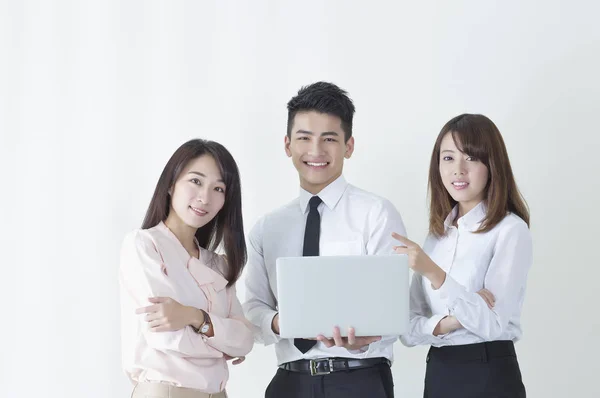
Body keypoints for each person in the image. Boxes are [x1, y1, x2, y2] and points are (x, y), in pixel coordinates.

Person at [243, 82, 406, 398]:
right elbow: (253, 308)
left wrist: (366, 336)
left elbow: (395, 308)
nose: (315, 151)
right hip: (288, 383)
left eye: (329, 139)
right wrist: (280, 322)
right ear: (288, 145)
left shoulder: (377, 214)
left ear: (349, 146)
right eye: (304, 138)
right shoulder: (268, 227)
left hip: (358, 380)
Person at [393, 114, 531, 397]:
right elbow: (407, 329)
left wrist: (435, 273)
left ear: (492, 164)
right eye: (448, 158)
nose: (458, 170)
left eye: (470, 158)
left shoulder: (510, 230)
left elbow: (491, 324)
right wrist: (452, 321)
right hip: (440, 369)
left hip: (489, 370)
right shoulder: (436, 237)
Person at [119, 139, 254, 398]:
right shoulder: (144, 245)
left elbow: (245, 340)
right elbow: (167, 338)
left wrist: (195, 317)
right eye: (196, 181)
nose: (205, 197)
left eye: (218, 188)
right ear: (171, 184)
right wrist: (223, 343)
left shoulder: (218, 264)